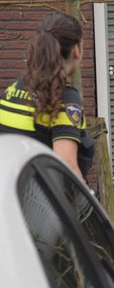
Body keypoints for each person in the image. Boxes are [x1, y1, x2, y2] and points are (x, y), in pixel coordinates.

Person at [0, 13, 93, 181]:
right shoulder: (64, 98)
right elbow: (67, 168)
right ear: (77, 50)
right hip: (39, 204)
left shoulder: (14, 88)